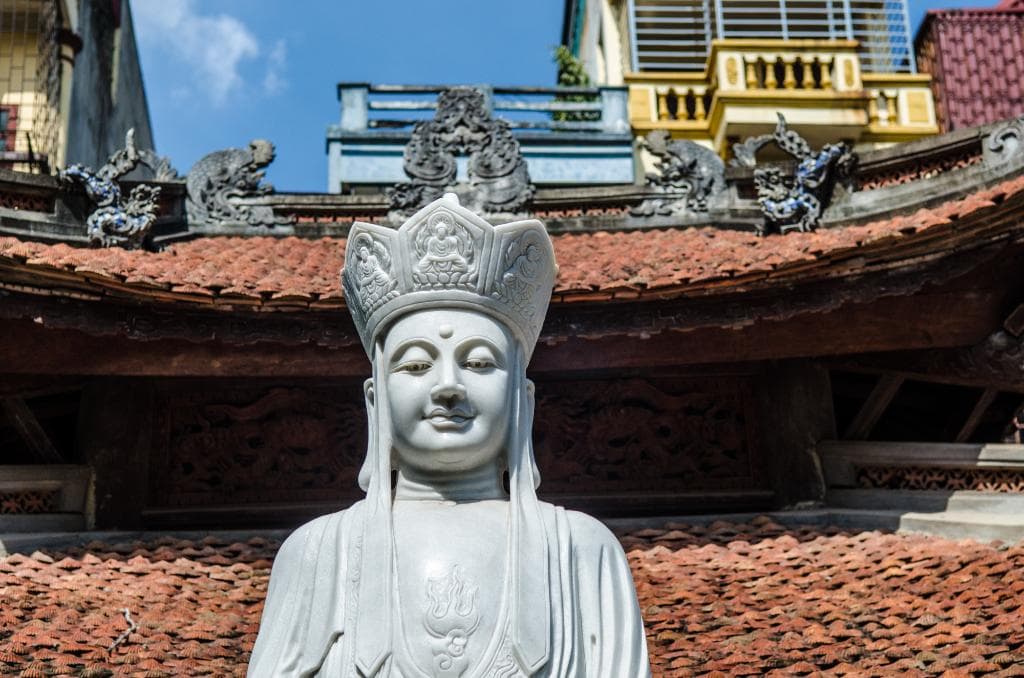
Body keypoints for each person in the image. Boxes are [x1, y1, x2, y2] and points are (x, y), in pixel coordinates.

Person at [248, 194, 651, 677]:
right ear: (375, 400)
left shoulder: (582, 551)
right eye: (416, 365)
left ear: (522, 398)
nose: (447, 387)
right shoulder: (319, 553)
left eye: (478, 362)